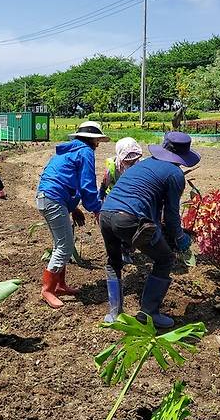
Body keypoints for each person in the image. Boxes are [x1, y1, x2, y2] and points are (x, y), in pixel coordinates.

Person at [100, 132, 199, 326]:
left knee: (114, 262)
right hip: (128, 218)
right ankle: (149, 313)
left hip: (106, 214)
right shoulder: (175, 174)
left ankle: (114, 314)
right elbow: (171, 215)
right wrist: (181, 239)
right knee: (165, 259)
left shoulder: (144, 164)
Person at [36, 121, 109, 309]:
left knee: (60, 244)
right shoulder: (86, 152)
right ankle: (48, 290)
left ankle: (60, 285)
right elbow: (87, 185)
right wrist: (96, 209)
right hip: (53, 199)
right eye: (97, 141)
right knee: (65, 247)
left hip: (47, 197)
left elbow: (64, 179)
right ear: (92, 140)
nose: (98, 144)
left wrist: (73, 207)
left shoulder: (68, 150)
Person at [99, 137, 144, 265]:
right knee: (116, 227)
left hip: (132, 199)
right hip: (114, 199)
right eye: (128, 159)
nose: (131, 162)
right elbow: (103, 186)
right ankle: (117, 253)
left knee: (131, 226)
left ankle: (126, 249)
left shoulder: (141, 165)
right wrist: (99, 202)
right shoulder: (112, 167)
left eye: (134, 158)